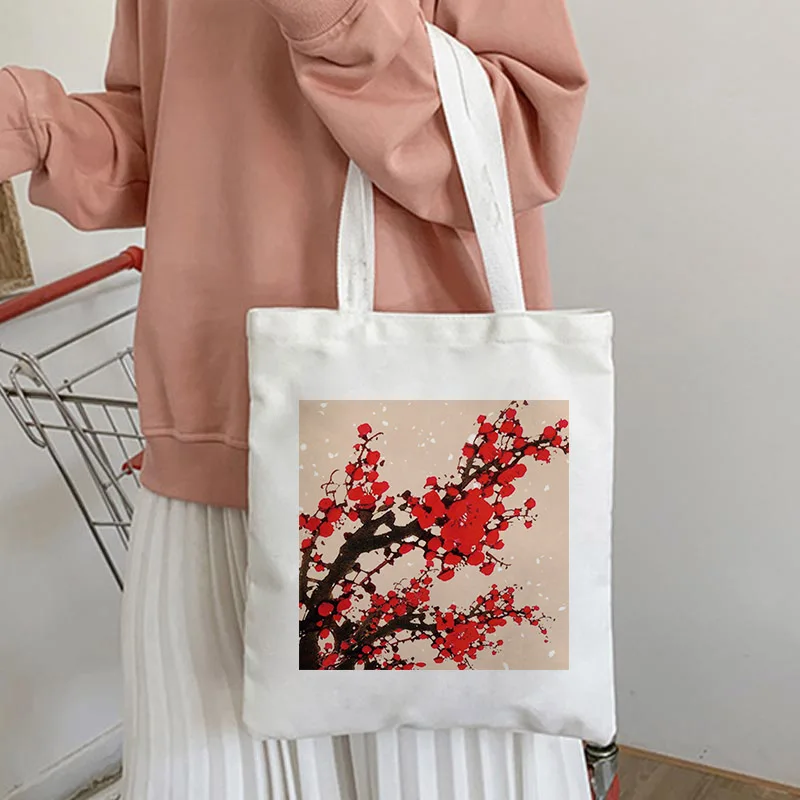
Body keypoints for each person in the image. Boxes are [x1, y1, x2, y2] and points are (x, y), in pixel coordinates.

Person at [0, 1, 591, 797]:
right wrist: (40, 124)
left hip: (405, 455)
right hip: (211, 427)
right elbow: (171, 129)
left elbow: (519, 142)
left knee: (441, 774)